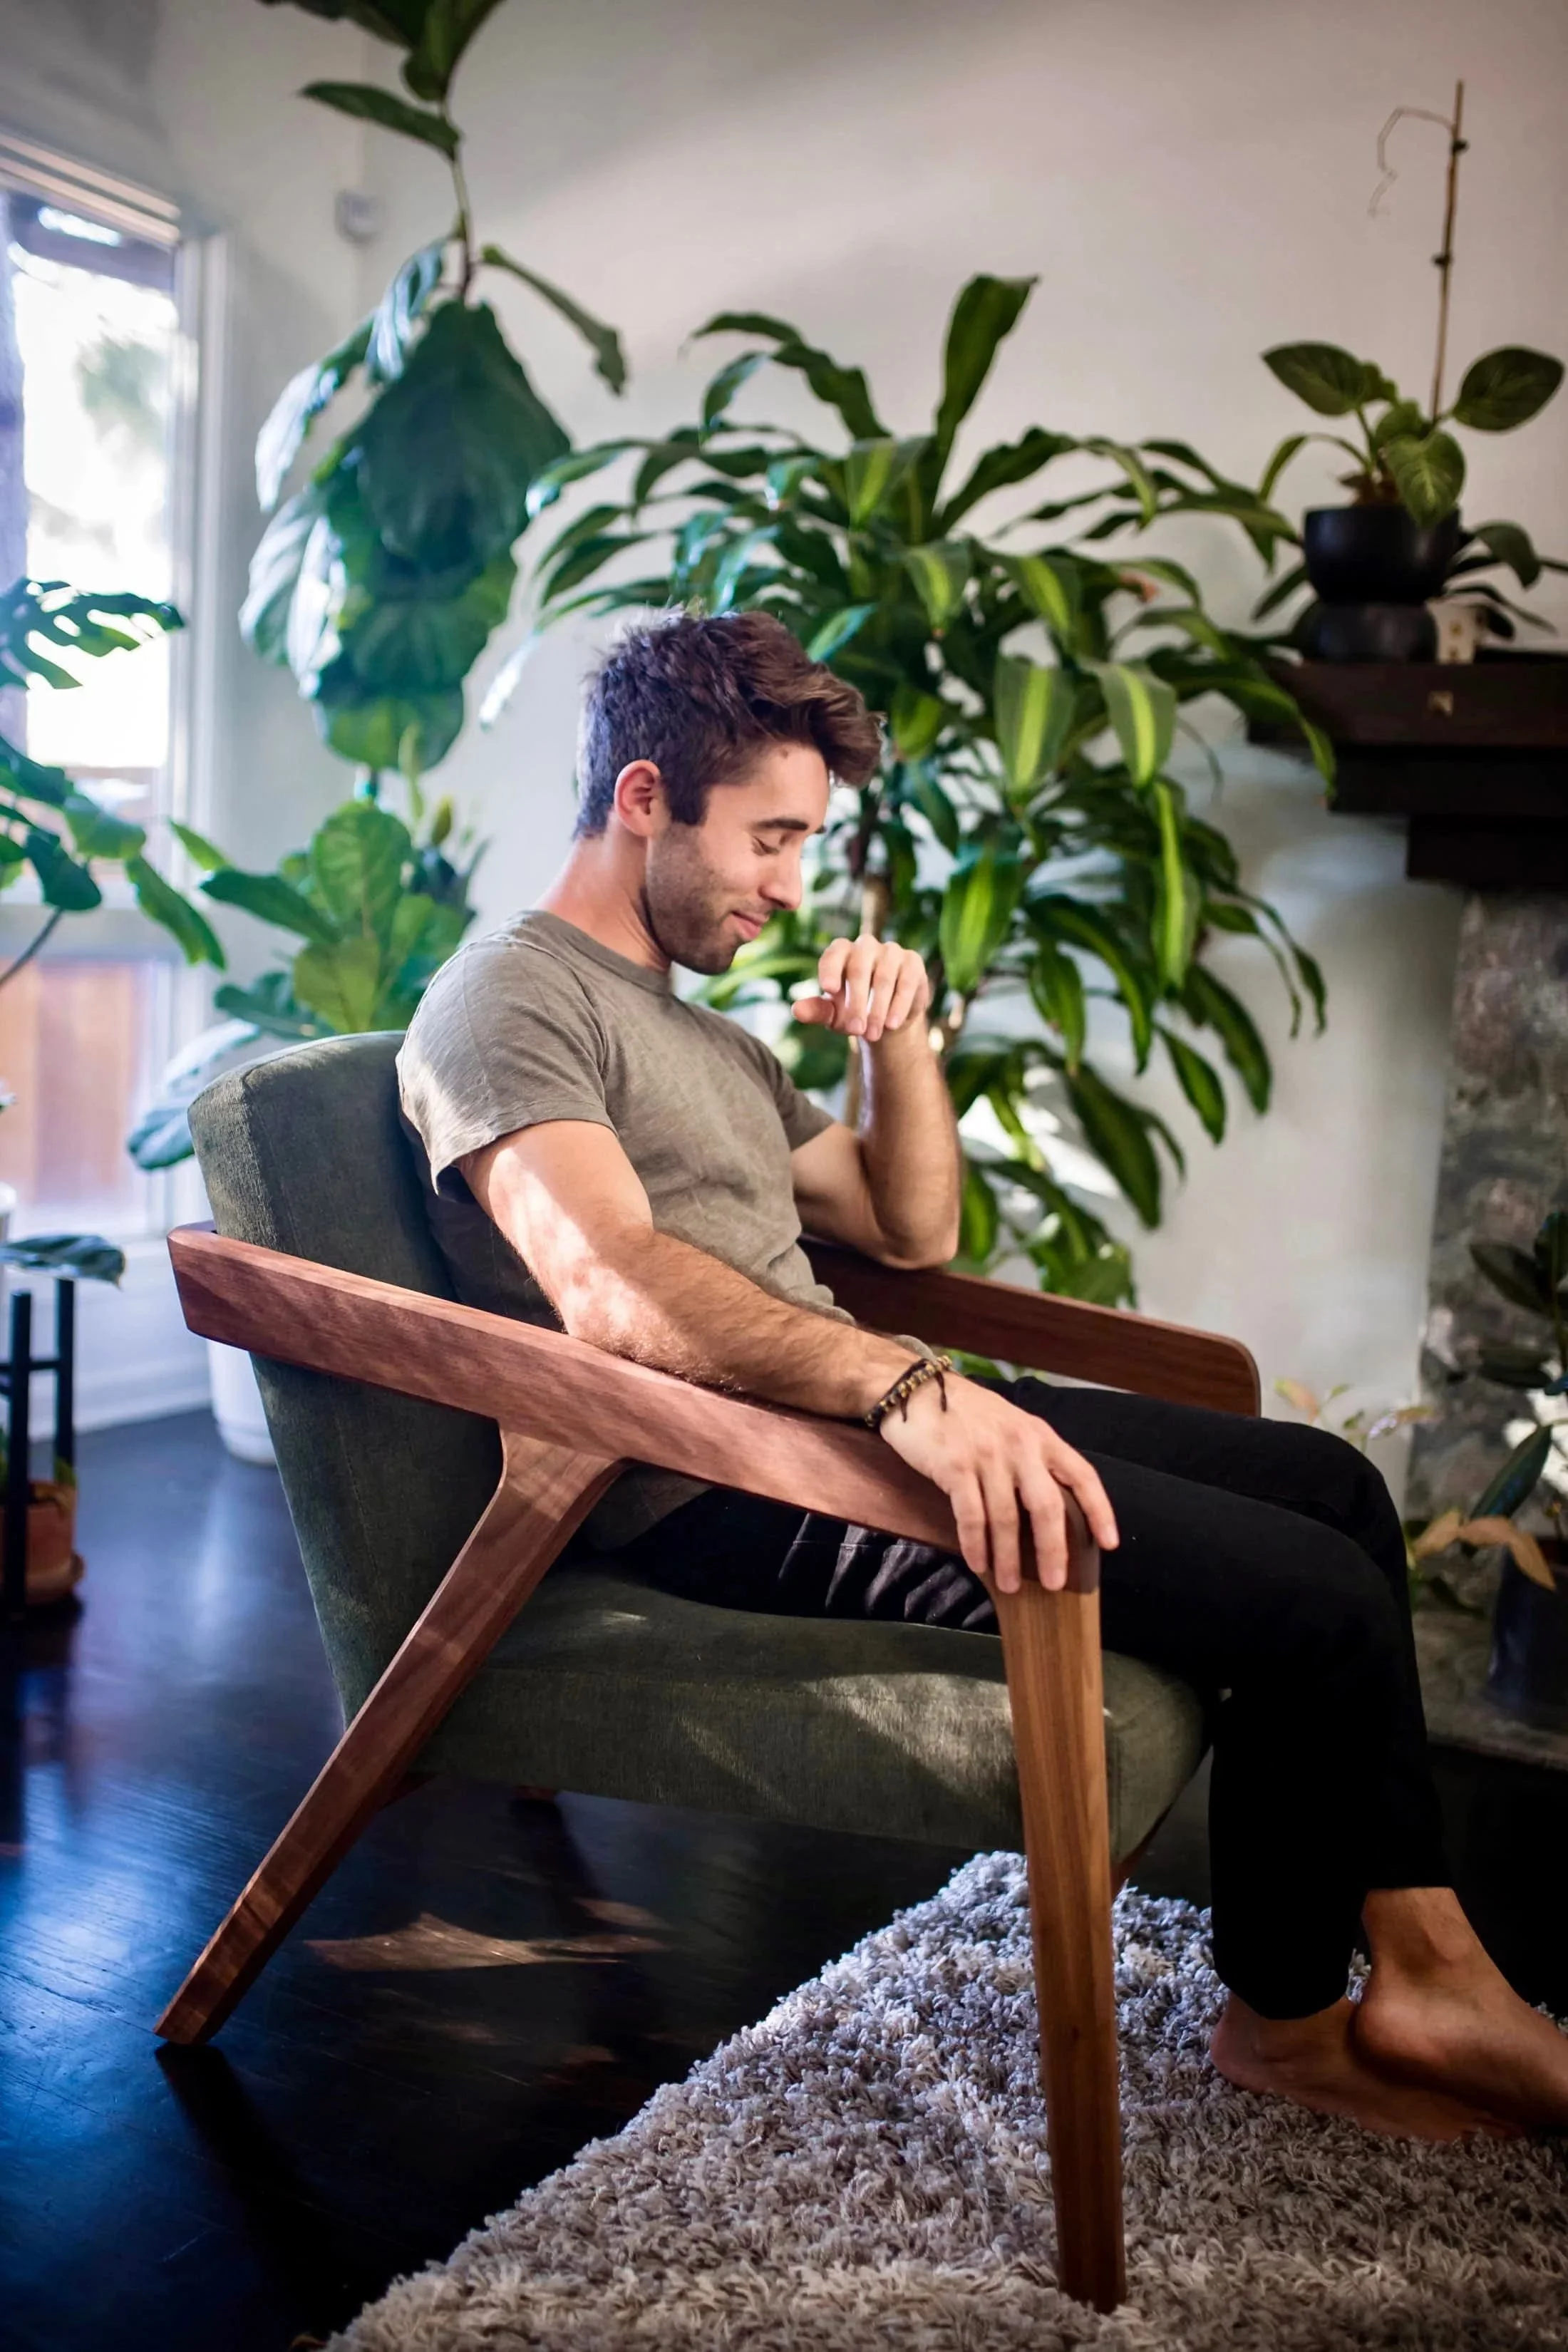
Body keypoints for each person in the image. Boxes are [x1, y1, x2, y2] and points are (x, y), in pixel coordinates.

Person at [398, 607, 1568, 2142]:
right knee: (1307, 1596)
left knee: (1333, 1487)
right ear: (639, 800)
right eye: (768, 839)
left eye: (803, 843)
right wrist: (900, 1393)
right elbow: (608, 1283)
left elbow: (911, 1221)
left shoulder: (709, 1043)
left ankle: (1417, 1964)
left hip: (849, 1411)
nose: (788, 886)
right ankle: (1298, 2025)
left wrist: (902, 1045)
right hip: (719, 1481)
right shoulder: (506, 1000)